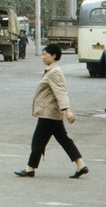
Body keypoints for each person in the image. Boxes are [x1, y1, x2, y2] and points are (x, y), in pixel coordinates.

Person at [15, 44, 87, 179]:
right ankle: (81, 165)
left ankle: (30, 168)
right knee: (64, 140)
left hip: (48, 113)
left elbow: (60, 92)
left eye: (45, 54)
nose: (43, 57)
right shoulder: (52, 70)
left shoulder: (54, 72)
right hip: (52, 113)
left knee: (38, 141)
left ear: (53, 56)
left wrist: (67, 111)